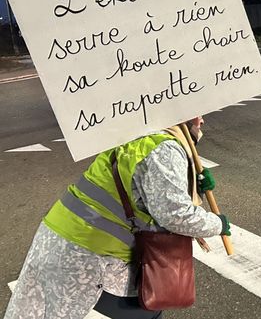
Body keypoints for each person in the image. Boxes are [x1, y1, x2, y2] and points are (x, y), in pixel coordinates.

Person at [4, 116, 230, 319]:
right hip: (87, 254)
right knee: (146, 311)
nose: (201, 121)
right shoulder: (165, 149)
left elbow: (146, 195)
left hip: (61, 239)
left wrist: (194, 187)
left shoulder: (139, 135)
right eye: (198, 114)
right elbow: (175, 215)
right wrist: (218, 224)